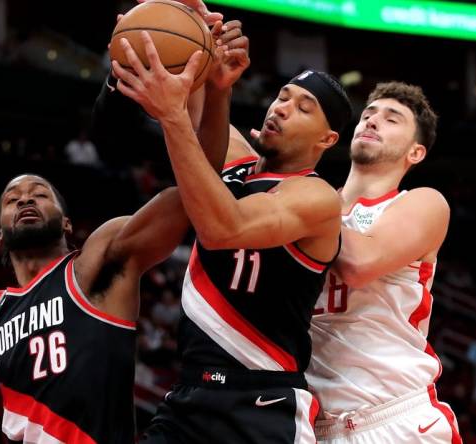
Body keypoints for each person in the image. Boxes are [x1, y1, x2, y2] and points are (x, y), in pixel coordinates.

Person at [0, 11, 249, 444]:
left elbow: (197, 184)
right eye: (12, 198)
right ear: (0, 235)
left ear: (67, 223)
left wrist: (216, 89)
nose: (25, 198)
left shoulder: (98, 262)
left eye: (39, 194)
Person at [112, 30, 351, 442]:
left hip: (261, 406)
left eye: (304, 108)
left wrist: (172, 117)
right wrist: (214, 68)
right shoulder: (237, 163)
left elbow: (224, 228)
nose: (282, 108)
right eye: (283, 96)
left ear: (327, 139)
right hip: (188, 394)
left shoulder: (316, 197)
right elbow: (199, 106)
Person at [304, 82, 461, 443]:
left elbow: (360, 263)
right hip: (317, 424)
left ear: (416, 152)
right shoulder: (315, 201)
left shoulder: (423, 203)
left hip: (395, 418)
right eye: (368, 115)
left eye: (392, 120)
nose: (372, 122)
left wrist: (300, 201)